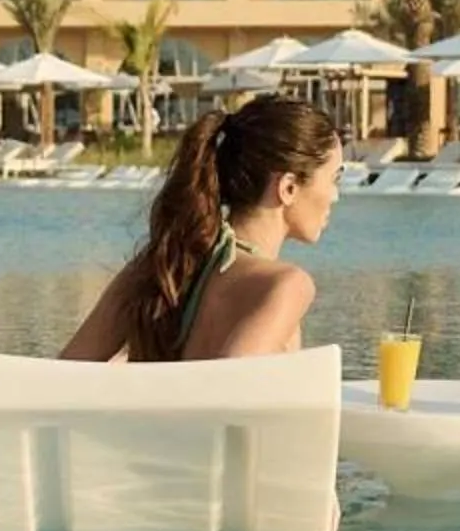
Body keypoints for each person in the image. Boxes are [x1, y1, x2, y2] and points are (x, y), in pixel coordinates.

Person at [61, 95, 344, 362]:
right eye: (334, 179)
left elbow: (60, 377)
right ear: (288, 188)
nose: (336, 195)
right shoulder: (287, 285)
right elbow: (226, 396)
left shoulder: (161, 266)